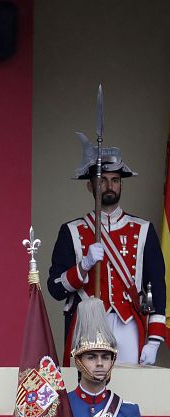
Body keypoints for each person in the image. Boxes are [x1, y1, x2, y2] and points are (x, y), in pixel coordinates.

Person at [48, 134, 166, 366]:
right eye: (102, 180)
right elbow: (56, 288)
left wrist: (154, 339)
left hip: (128, 323)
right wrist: (83, 266)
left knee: (130, 384)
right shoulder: (71, 230)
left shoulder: (143, 229)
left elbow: (157, 287)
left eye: (115, 180)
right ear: (89, 185)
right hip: (87, 322)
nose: (110, 186)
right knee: (85, 383)